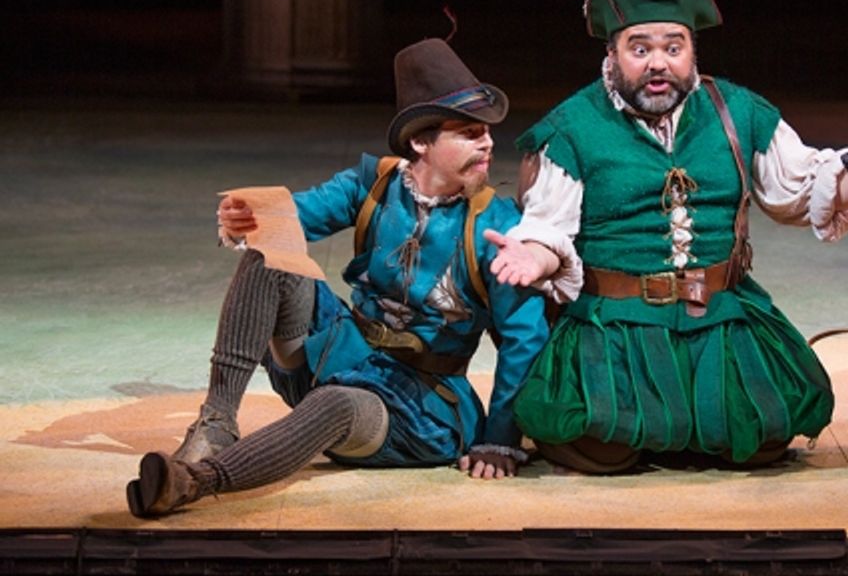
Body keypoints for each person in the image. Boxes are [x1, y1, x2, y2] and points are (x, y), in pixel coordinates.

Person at [127, 36, 563, 517]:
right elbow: (292, 216)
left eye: (486, 132)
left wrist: (500, 440)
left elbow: (524, 338)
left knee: (336, 403)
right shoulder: (373, 183)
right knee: (269, 251)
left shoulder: (496, 226)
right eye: (468, 133)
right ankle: (215, 425)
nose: (486, 144)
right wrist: (244, 218)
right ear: (421, 142)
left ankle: (193, 482)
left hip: (418, 410)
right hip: (339, 354)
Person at [495, 0, 848, 473]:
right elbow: (547, 225)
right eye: (640, 48)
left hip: (718, 315)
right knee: (600, 445)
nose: (659, 63)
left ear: (692, 51)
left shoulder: (739, 111)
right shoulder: (572, 128)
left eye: (673, 48)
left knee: (763, 437)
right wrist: (534, 256)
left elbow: (800, 193)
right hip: (618, 324)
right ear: (612, 53)